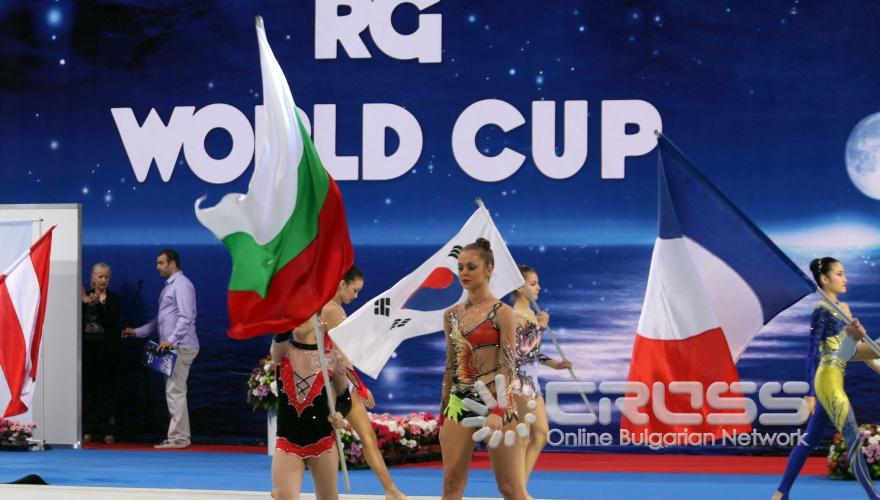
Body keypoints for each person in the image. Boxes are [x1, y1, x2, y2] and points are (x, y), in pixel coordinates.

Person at [773, 257, 880, 499]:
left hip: (837, 374)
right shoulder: (821, 311)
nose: (845, 279)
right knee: (853, 438)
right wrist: (810, 393)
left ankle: (781, 493)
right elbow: (813, 353)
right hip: (827, 380)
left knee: (809, 439)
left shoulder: (844, 309)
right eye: (839, 274)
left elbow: (847, 353)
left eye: (844, 273)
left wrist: (857, 340)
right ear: (824, 279)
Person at [440, 238, 527, 500]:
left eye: (471, 267)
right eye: (460, 268)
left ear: (489, 269)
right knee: (451, 484)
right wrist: (443, 409)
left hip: (497, 401)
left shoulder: (503, 312)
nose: (464, 273)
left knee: (510, 489)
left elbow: (508, 364)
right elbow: (450, 364)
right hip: (459, 402)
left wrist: (498, 409)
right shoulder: (451, 314)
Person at [322, 265, 409, 500]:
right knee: (348, 440)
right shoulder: (332, 310)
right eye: (355, 290)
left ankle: (391, 491)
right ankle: (389, 491)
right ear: (342, 284)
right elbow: (341, 355)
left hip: (337, 382)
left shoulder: (331, 308)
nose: (356, 296)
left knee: (366, 437)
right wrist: (360, 386)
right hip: (332, 385)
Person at [122, 249, 199, 449]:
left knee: (175, 391)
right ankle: (179, 436)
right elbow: (160, 321)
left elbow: (186, 317)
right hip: (174, 347)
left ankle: (179, 438)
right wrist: (135, 332)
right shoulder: (169, 288)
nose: (157, 267)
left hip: (180, 346)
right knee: (173, 391)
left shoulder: (182, 285)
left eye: (161, 263)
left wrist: (171, 340)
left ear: (172, 264)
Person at [270, 318, 353, 500]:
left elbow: (345, 398)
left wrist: (340, 414)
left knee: (328, 497)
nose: (298, 319)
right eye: (295, 315)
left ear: (318, 322)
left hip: (322, 442)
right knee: (283, 496)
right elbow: (280, 335)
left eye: (305, 315)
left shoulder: (332, 358)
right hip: (288, 442)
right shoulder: (282, 350)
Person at [510, 265, 571, 491]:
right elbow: (521, 352)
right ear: (519, 287)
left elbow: (534, 353)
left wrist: (556, 364)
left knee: (538, 435)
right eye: (533, 283)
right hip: (519, 381)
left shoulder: (529, 315)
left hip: (531, 381)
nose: (539, 288)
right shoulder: (515, 315)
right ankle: (517, 490)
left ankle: (519, 488)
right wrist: (541, 328)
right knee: (529, 435)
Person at [81, 262, 121, 445]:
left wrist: (98, 305)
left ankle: (108, 432)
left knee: (107, 392)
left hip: (107, 352)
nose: (103, 280)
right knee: (89, 392)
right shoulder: (83, 297)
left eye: (106, 277)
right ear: (93, 277)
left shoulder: (114, 299)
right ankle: (88, 430)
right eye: (100, 276)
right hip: (88, 352)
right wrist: (84, 302)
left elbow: (111, 323)